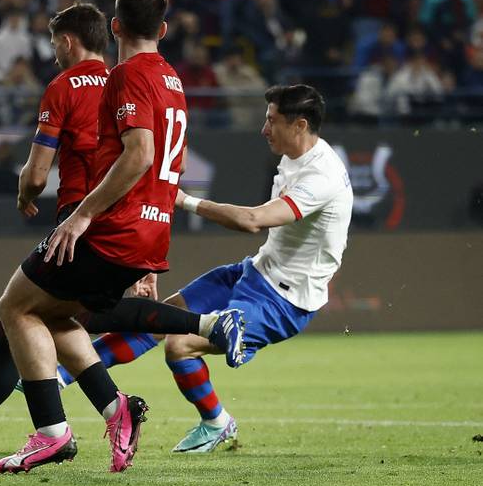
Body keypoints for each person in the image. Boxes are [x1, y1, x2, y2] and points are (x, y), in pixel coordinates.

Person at [0, 0, 242, 470]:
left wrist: (39, 196)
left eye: (54, 42)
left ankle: (40, 432)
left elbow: (46, 171)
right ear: (160, 29)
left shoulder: (77, 84)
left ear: (69, 40)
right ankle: (107, 407)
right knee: (57, 318)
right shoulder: (166, 78)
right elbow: (161, 159)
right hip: (143, 225)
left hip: (92, 223)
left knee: (17, 312)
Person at [52, 84, 353, 454]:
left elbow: (253, 220)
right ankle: (61, 375)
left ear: (300, 125)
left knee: (180, 346)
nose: (264, 129)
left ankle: (216, 422)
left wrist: (184, 200)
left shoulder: (321, 176)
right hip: (255, 272)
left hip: (284, 301)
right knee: (165, 317)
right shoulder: (294, 156)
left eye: (271, 121)